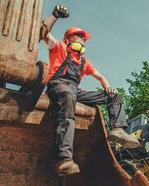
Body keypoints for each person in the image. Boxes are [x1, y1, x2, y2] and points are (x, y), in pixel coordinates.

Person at [40, 5, 140, 176]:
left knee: (114, 96)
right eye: (80, 37)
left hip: (75, 90)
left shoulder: (84, 62)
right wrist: (55, 15)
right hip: (59, 85)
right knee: (68, 97)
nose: (83, 40)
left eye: (84, 39)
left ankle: (118, 130)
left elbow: (100, 77)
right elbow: (41, 33)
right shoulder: (59, 48)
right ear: (68, 39)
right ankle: (64, 160)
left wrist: (108, 88)